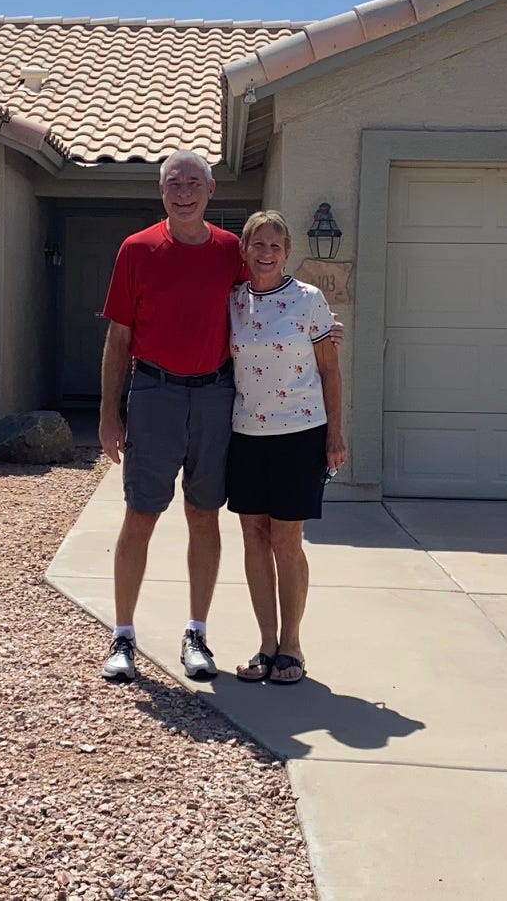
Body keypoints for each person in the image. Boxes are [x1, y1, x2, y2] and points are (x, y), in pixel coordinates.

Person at [97, 150, 242, 682]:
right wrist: (109, 415)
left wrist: (319, 327)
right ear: (162, 192)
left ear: (210, 191)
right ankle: (123, 637)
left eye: (194, 182)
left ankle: (197, 632)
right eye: (174, 183)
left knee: (204, 515)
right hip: (154, 394)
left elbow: (265, 312)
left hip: (215, 397)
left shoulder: (232, 252)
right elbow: (119, 338)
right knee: (141, 515)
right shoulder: (137, 250)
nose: (184, 191)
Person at [225, 210, 345, 686]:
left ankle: (292, 645)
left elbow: (330, 371)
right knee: (253, 535)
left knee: (285, 540)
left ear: (287, 252)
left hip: (299, 434)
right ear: (245, 250)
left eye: (275, 245)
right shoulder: (233, 301)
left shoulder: (310, 301)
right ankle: (266, 644)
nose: (266, 253)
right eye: (258, 244)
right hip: (245, 435)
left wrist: (335, 433)